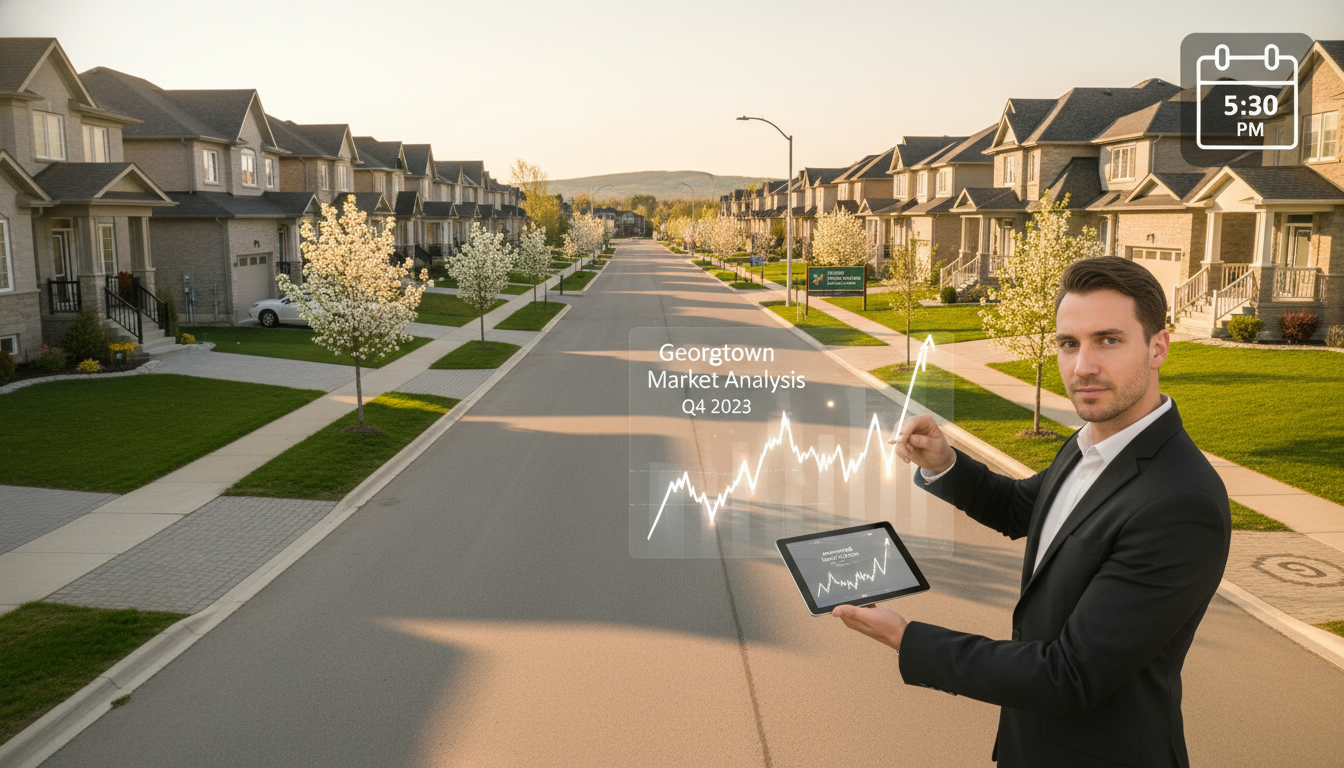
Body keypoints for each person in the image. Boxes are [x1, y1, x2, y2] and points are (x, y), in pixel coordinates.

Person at [834, 256, 1231, 767]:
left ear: (1158, 347)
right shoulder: (1092, 440)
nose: (1082, 365)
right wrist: (945, 463)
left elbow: (1069, 674)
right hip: (1034, 744)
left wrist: (906, 637)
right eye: (1069, 343)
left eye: (1108, 340)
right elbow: (1026, 508)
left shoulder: (1179, 503)